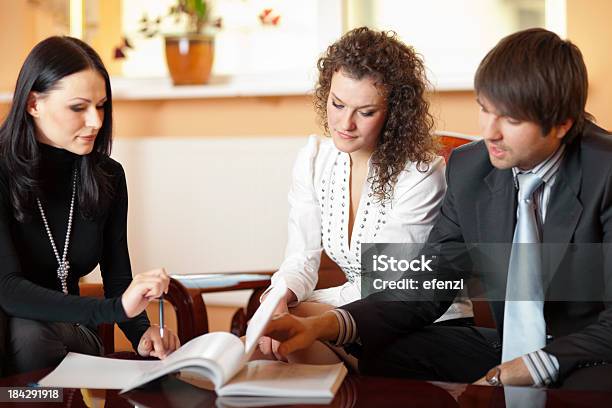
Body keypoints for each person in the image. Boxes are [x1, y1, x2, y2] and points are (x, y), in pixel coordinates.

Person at [264, 28, 612, 391]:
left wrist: (533, 366)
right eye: (485, 109)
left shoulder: (605, 172)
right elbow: (427, 285)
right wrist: (325, 325)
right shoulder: (471, 167)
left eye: (510, 120)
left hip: (589, 353)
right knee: (381, 352)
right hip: (508, 348)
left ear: (562, 124)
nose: (489, 133)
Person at [258, 27, 472, 362]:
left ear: (394, 112)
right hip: (351, 317)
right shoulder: (314, 160)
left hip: (420, 325)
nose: (345, 123)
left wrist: (307, 312)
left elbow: (383, 286)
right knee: (276, 342)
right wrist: (281, 295)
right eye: (337, 104)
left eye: (366, 111)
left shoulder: (421, 175)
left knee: (286, 341)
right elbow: (300, 259)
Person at [0, 36, 180, 374]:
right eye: (78, 107)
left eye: (101, 106)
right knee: (27, 330)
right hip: (9, 337)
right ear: (33, 103)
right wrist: (115, 310)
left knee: (35, 335)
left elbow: (117, 276)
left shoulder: (108, 177)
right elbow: (8, 290)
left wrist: (142, 335)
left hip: (69, 337)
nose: (96, 122)